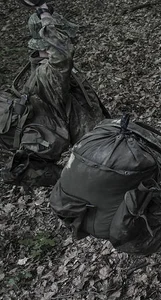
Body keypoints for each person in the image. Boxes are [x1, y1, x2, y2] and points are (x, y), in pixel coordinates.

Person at [1, 1, 108, 187]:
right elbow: (63, 54)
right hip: (95, 149)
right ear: (49, 43)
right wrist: (45, 17)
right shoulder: (49, 72)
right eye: (62, 36)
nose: (69, 40)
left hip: (97, 141)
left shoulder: (43, 68)